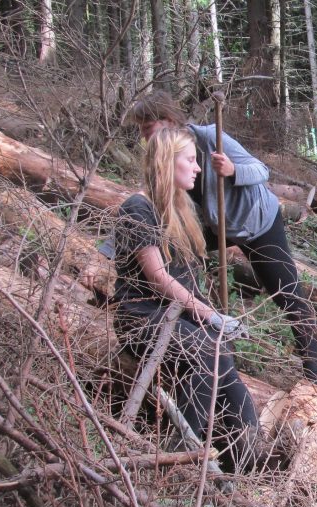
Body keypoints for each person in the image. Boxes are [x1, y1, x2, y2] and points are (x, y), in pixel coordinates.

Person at [104, 90, 317, 381]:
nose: (145, 138)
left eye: (148, 129)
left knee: (286, 293)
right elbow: (152, 209)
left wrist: (232, 170)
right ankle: (203, 335)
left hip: (255, 222)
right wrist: (112, 248)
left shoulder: (209, 137)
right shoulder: (165, 157)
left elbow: (261, 170)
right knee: (176, 261)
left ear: (169, 120)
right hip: (214, 226)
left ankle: (315, 373)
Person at [112, 127, 258, 465]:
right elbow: (158, 277)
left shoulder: (181, 210)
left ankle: (248, 457)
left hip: (176, 317)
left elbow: (189, 280)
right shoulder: (138, 207)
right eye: (190, 160)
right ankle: (183, 453)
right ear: (167, 162)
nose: (197, 168)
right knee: (208, 350)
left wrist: (214, 320)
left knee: (223, 355)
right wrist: (208, 315)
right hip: (141, 316)